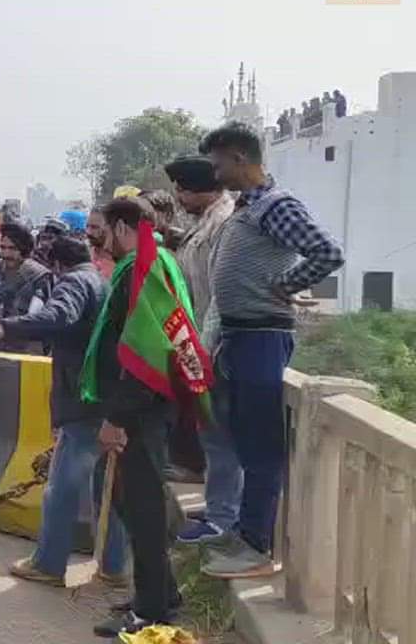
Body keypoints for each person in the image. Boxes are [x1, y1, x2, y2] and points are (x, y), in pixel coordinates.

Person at [198, 122, 343, 579]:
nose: (216, 174)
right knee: (244, 440)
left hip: (262, 337)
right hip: (240, 337)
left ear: (239, 158)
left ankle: (257, 546)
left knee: (261, 448)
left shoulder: (275, 205)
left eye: (218, 164)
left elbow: (327, 253)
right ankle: (245, 531)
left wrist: (284, 284)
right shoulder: (250, 207)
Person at [0, 235, 127, 590]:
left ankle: (49, 564)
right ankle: (114, 565)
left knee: (61, 490)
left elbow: (58, 315)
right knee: (108, 490)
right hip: (108, 399)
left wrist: (5, 326)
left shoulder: (73, 282)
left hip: (82, 401)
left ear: (56, 265)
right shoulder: (103, 281)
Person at [85, 197, 183, 638]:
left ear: (123, 229)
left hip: (140, 412)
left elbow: (144, 355)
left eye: (104, 230)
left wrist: (118, 418)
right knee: (133, 505)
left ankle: (150, 611)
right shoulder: (153, 262)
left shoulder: (144, 268)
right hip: (144, 408)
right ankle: (161, 593)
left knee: (144, 511)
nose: (99, 240)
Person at [164, 155, 240, 543]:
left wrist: (203, 353)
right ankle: (217, 507)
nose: (178, 197)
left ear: (198, 190)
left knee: (219, 436)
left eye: (181, 189)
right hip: (199, 343)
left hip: (214, 347)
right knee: (210, 435)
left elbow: (219, 298)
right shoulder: (206, 223)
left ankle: (222, 519)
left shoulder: (224, 223)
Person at [0, 221, 52, 354]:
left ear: (24, 249)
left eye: (13, 248)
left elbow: (41, 319)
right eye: (3, 248)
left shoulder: (38, 277)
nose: (6, 253)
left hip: (26, 349)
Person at [86, 209, 116, 280]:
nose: (88, 232)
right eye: (87, 226)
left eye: (94, 227)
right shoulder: (84, 255)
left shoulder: (124, 262)